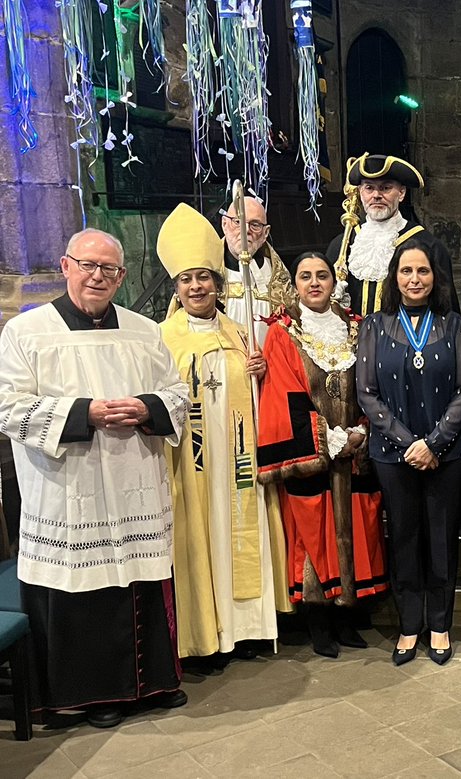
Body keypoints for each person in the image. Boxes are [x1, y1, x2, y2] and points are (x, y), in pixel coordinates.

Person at [0, 228, 190, 728]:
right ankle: (94, 694)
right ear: (66, 266)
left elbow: (176, 395)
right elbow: (9, 408)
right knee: (85, 590)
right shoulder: (26, 332)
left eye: (109, 269)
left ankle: (152, 683)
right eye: (88, 265)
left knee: (139, 577)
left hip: (133, 485)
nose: (98, 277)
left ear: (122, 277)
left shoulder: (144, 331)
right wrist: (86, 413)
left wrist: (146, 408)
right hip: (69, 488)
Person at [158, 203, 288, 668]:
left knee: (241, 531)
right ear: (177, 287)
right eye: (186, 280)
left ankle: (248, 629)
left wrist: (260, 369)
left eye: (204, 278)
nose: (196, 287)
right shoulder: (162, 339)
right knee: (199, 540)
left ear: (218, 283)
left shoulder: (239, 334)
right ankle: (203, 639)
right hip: (191, 466)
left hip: (237, 459)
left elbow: (260, 398)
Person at [257, 251, 387, 658]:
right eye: (305, 276)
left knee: (357, 533)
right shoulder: (282, 333)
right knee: (314, 536)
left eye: (322, 276)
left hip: (356, 452)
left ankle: (348, 618)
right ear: (294, 284)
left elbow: (373, 383)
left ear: (334, 282)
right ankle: (319, 624)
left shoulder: (357, 328)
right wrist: (327, 439)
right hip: (315, 453)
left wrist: (361, 431)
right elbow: (284, 395)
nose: (314, 283)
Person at [357, 238, 461, 665]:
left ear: (435, 277)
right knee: (404, 537)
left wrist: (435, 442)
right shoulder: (374, 325)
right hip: (394, 454)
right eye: (406, 271)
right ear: (395, 277)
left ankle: (440, 624)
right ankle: (409, 626)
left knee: (442, 538)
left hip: (448, 453)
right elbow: (367, 395)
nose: (414, 279)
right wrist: (411, 444)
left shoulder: (456, 324)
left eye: (422, 271)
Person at [326, 153, 459, 317]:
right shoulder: (342, 246)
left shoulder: (428, 246)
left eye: (385, 188)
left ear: (401, 193)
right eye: (369, 188)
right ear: (360, 192)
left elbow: (445, 309)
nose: (376, 195)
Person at [218, 192, 292, 344]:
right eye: (237, 222)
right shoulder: (207, 273)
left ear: (265, 233)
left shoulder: (276, 275)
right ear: (224, 224)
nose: (246, 231)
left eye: (255, 225)